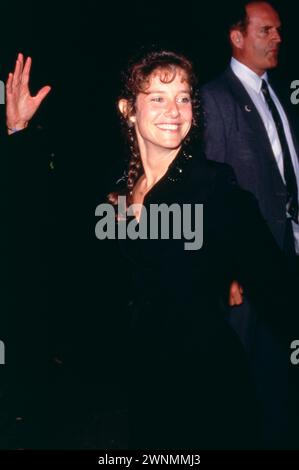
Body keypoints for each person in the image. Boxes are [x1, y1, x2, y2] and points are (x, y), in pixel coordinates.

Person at [105, 48, 298, 449]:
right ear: (129, 110)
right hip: (143, 380)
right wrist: (16, 133)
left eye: (184, 97)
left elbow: (276, 281)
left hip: (204, 383)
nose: (174, 110)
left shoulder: (213, 187)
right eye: (157, 97)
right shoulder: (119, 190)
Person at [200, 0, 299, 448]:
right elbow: (213, 188)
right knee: (241, 365)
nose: (277, 38)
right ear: (237, 37)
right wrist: (228, 265)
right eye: (266, 31)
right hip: (247, 260)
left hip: (287, 248)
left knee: (279, 368)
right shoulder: (215, 98)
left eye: (278, 30)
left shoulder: (279, 93)